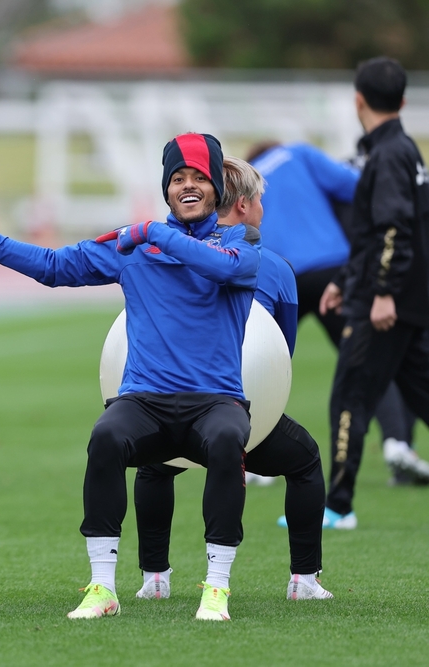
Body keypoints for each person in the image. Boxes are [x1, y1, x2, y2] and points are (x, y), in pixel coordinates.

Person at [0, 133, 261, 621]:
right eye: (177, 178)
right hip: (145, 399)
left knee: (227, 439)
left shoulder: (239, 240)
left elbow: (223, 271)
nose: (187, 186)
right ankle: (103, 587)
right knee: (105, 436)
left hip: (216, 402)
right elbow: (51, 266)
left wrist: (156, 233)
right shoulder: (132, 245)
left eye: (199, 178)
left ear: (217, 189)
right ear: (166, 189)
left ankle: (217, 587)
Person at [133, 157, 332, 602]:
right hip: (241, 415)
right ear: (242, 204)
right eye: (259, 199)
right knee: (304, 461)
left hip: (170, 408)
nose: (263, 208)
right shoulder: (273, 266)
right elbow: (280, 355)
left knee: (154, 465)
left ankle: (154, 577)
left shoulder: (166, 256)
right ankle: (304, 579)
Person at [247, 140, 428, 487]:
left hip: (276, 273)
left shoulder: (247, 177)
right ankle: (397, 443)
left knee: (258, 361)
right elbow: (358, 186)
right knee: (368, 358)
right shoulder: (297, 153)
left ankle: (250, 454)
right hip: (332, 269)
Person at [318, 57, 429, 529]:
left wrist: (382, 293)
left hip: (386, 306)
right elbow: (377, 234)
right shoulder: (406, 150)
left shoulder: (386, 155)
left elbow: (392, 229)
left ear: (358, 100)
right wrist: (345, 280)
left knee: (349, 398)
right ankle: (338, 504)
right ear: (402, 100)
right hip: (411, 300)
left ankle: (338, 507)